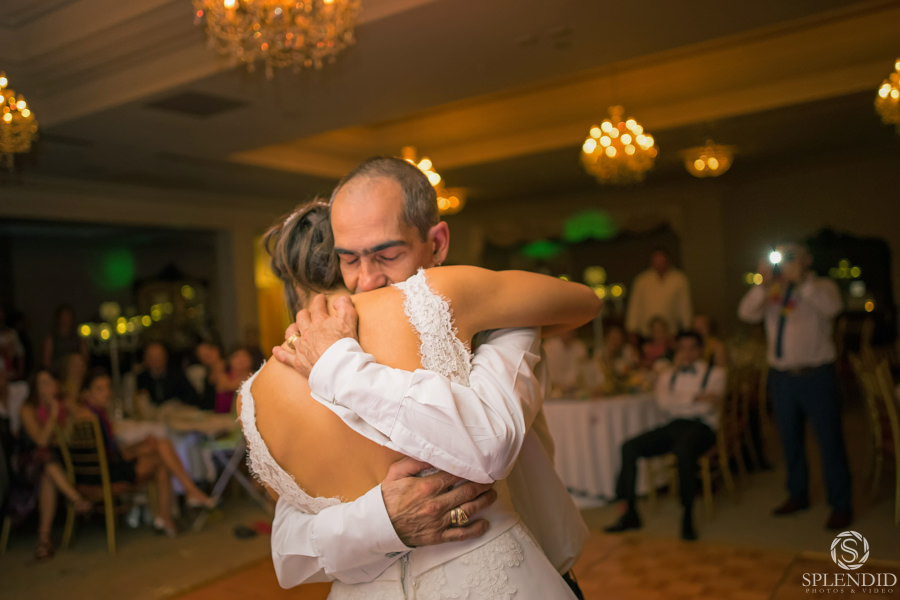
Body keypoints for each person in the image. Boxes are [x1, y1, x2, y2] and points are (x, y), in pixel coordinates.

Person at [242, 199, 600, 597]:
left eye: (386, 255)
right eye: (354, 259)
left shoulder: (256, 396)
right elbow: (288, 548)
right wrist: (383, 520)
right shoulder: (448, 306)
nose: (370, 278)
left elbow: (290, 552)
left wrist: (340, 367)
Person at [737, 243, 851, 529]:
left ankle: (840, 503)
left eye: (792, 256)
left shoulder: (822, 287)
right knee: (789, 440)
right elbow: (746, 313)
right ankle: (797, 494)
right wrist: (762, 285)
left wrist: (801, 282)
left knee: (829, 441)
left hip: (816, 376)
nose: (786, 262)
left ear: (807, 260)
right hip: (782, 378)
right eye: (782, 257)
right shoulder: (772, 290)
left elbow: (833, 308)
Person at [605, 330, 725, 541]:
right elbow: (663, 404)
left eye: (692, 348)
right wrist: (696, 397)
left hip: (702, 427)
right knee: (629, 447)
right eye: (682, 349)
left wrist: (678, 399)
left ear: (700, 350)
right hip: (674, 425)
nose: (687, 353)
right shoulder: (668, 375)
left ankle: (687, 516)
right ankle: (630, 513)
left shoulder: (716, 373)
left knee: (683, 451)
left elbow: (708, 407)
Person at [75, 369, 214, 536]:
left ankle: (173, 509)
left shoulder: (95, 414)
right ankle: (184, 497)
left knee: (160, 445)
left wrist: (141, 445)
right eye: (99, 389)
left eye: (107, 387)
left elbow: (113, 451)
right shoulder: (91, 418)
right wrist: (139, 450)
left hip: (106, 468)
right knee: (160, 455)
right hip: (104, 475)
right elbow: (109, 457)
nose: (107, 393)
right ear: (87, 393)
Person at [16, 369, 91, 560]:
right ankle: (75, 499)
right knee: (45, 460)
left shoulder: (65, 402)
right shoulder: (27, 409)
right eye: (43, 383)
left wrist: (71, 414)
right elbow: (41, 441)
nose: (49, 387)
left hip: (58, 462)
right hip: (29, 465)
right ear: (35, 388)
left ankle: (44, 540)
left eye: (51, 382)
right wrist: (53, 414)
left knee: (48, 472)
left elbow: (87, 417)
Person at [626, 248, 693, 339]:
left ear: (668, 261)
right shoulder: (642, 280)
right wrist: (632, 328)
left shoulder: (679, 279)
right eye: (656, 261)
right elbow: (635, 305)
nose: (659, 263)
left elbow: (684, 305)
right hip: (646, 332)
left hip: (671, 331)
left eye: (662, 260)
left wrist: (687, 327)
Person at [135, 342, 199, 409]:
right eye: (151, 357)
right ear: (145, 359)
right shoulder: (141, 378)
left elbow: (192, 397)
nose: (155, 360)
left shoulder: (177, 375)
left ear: (165, 357)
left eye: (158, 356)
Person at [42, 304, 87, 374]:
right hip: (57, 372)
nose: (66, 319)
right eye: (63, 316)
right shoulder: (52, 337)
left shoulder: (78, 338)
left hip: (75, 372)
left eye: (68, 316)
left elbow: (85, 358)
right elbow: (46, 361)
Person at [543, 328, 589, 397]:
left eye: (572, 330)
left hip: (576, 391)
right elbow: (547, 376)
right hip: (554, 392)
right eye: (567, 330)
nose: (569, 333)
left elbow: (583, 373)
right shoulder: (549, 347)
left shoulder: (580, 348)